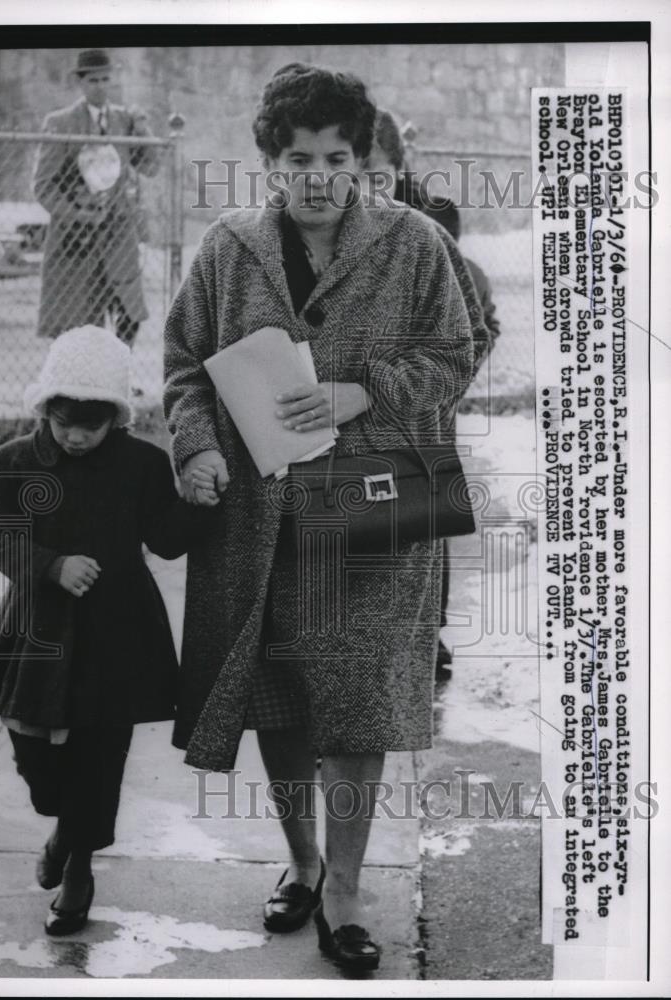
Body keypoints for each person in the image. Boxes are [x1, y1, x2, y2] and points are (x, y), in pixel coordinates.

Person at [163, 64, 474, 971]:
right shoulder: (228, 247)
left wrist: (358, 393)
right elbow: (184, 359)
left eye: (338, 158)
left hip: (371, 527)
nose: (319, 178)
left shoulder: (415, 243)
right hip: (255, 525)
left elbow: (454, 358)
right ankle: (301, 864)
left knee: (357, 710)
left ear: (363, 158)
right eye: (298, 159)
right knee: (280, 704)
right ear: (270, 159)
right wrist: (197, 447)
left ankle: (344, 890)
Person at [0, 325, 215, 936]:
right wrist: (52, 564)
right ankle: (61, 823)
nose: (75, 436)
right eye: (62, 422)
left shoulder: (141, 464)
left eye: (91, 423)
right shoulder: (14, 462)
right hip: (39, 632)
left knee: (102, 753)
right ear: (44, 410)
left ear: (116, 416)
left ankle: (78, 869)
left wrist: (198, 503)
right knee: (35, 750)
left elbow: (164, 537)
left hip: (119, 630)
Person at [366, 109, 502, 679]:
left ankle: (428, 634)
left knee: (427, 521)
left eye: (376, 173)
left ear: (399, 167)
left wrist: (439, 384)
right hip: (358, 408)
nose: (363, 187)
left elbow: (479, 324)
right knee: (361, 516)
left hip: (422, 403)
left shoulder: (428, 222)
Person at [33, 49, 160, 344]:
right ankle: (82, 383)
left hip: (118, 232)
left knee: (128, 309)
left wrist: (143, 130)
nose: (101, 86)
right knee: (80, 318)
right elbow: (43, 187)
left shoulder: (124, 121)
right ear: (80, 82)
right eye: (93, 80)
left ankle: (122, 375)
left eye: (105, 79)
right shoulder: (60, 123)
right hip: (75, 237)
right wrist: (79, 213)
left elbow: (151, 166)